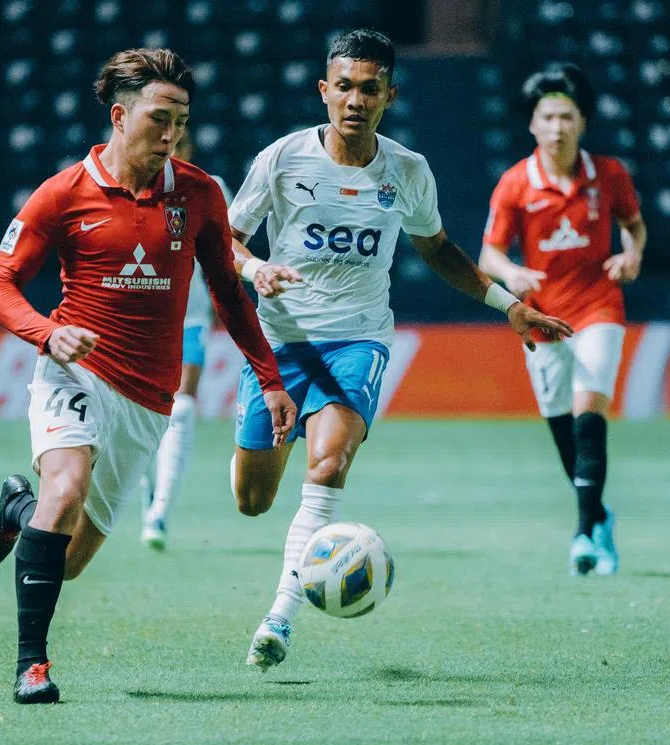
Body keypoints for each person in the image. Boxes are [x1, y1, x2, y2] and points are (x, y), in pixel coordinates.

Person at [227, 29, 574, 671]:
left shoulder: (407, 170)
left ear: (390, 94)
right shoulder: (282, 159)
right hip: (280, 343)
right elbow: (229, 240)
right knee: (252, 501)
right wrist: (254, 272)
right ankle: (258, 470)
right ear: (324, 91)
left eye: (369, 89)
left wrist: (511, 306)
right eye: (345, 87)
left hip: (359, 337)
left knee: (329, 465)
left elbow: (438, 250)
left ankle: (279, 616)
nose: (355, 101)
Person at [0, 48, 296, 703]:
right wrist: (48, 332)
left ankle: (16, 510)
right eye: (158, 117)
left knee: (66, 560)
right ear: (120, 116)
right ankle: (32, 667)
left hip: (150, 400)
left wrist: (269, 377)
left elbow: (230, 294)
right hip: (75, 371)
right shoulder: (64, 194)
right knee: (65, 489)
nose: (171, 132)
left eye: (180, 118)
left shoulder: (200, 195)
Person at [478, 63, 647, 577]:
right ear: (532, 124)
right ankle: (598, 516)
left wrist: (631, 255)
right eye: (547, 117)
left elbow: (634, 227)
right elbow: (489, 255)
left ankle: (581, 536)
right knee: (559, 422)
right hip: (541, 317)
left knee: (588, 409)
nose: (557, 126)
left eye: (566, 116)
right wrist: (513, 272)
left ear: (582, 123)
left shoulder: (610, 175)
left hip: (599, 307)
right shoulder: (514, 184)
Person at [139, 132, 234, 551]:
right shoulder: (131, 187)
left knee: (182, 408)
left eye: (182, 145)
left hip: (190, 318)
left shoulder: (209, 189)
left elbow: (225, 253)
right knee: (141, 415)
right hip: (138, 321)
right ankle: (149, 493)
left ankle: (160, 511)